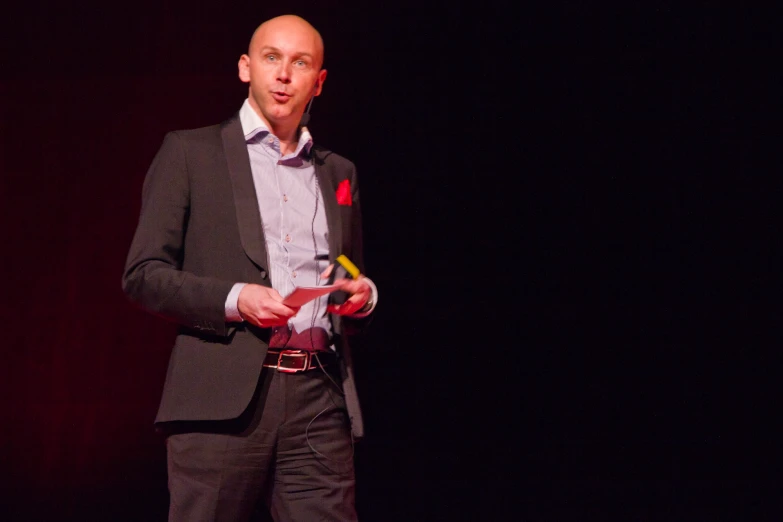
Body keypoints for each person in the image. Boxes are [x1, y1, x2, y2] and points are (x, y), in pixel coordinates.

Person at [122, 14, 377, 522]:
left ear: (318, 82)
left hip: (318, 399)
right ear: (245, 68)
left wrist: (361, 290)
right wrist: (235, 299)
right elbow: (144, 274)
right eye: (271, 58)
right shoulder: (191, 153)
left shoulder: (338, 171)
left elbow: (345, 260)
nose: (284, 74)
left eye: (300, 63)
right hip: (223, 400)